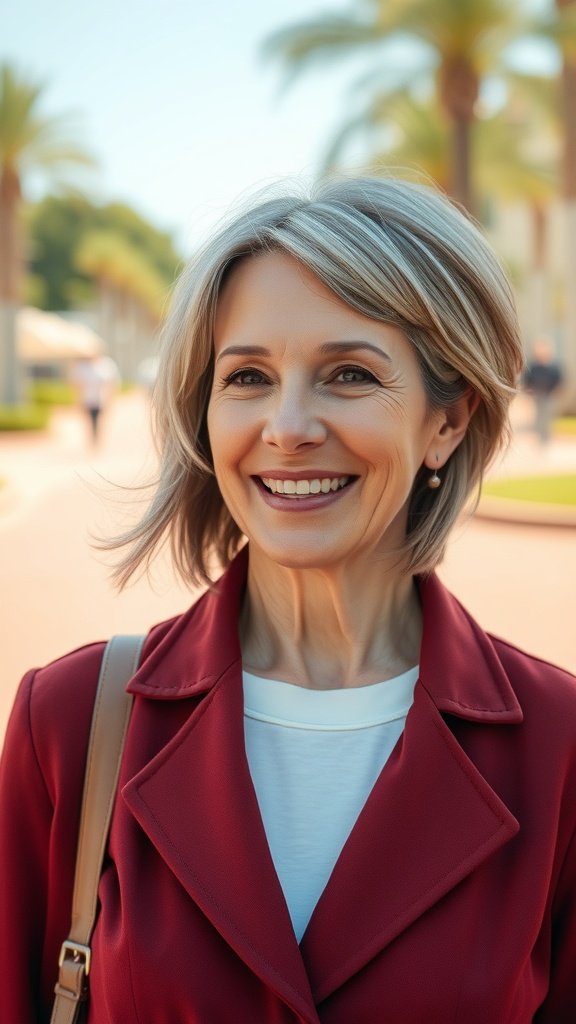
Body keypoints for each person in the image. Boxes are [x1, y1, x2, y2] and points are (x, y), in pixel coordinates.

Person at [1, 177, 575, 1024]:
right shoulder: (70, 722)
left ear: (447, 422)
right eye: (248, 377)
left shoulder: (560, 745)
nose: (288, 426)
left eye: (348, 374)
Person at [70, 353, 120, 444]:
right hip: (86, 399)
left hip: (101, 399)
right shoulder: (81, 366)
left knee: (99, 419)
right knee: (89, 420)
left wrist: (109, 397)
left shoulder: (105, 364)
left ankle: (96, 437)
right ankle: (92, 437)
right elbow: (75, 384)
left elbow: (111, 383)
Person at [523, 337, 564, 444]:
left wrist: (555, 392)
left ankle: (545, 437)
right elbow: (527, 379)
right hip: (536, 395)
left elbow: (559, 380)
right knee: (538, 416)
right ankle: (539, 436)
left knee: (547, 415)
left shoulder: (553, 367)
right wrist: (529, 391)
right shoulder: (533, 366)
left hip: (549, 395)